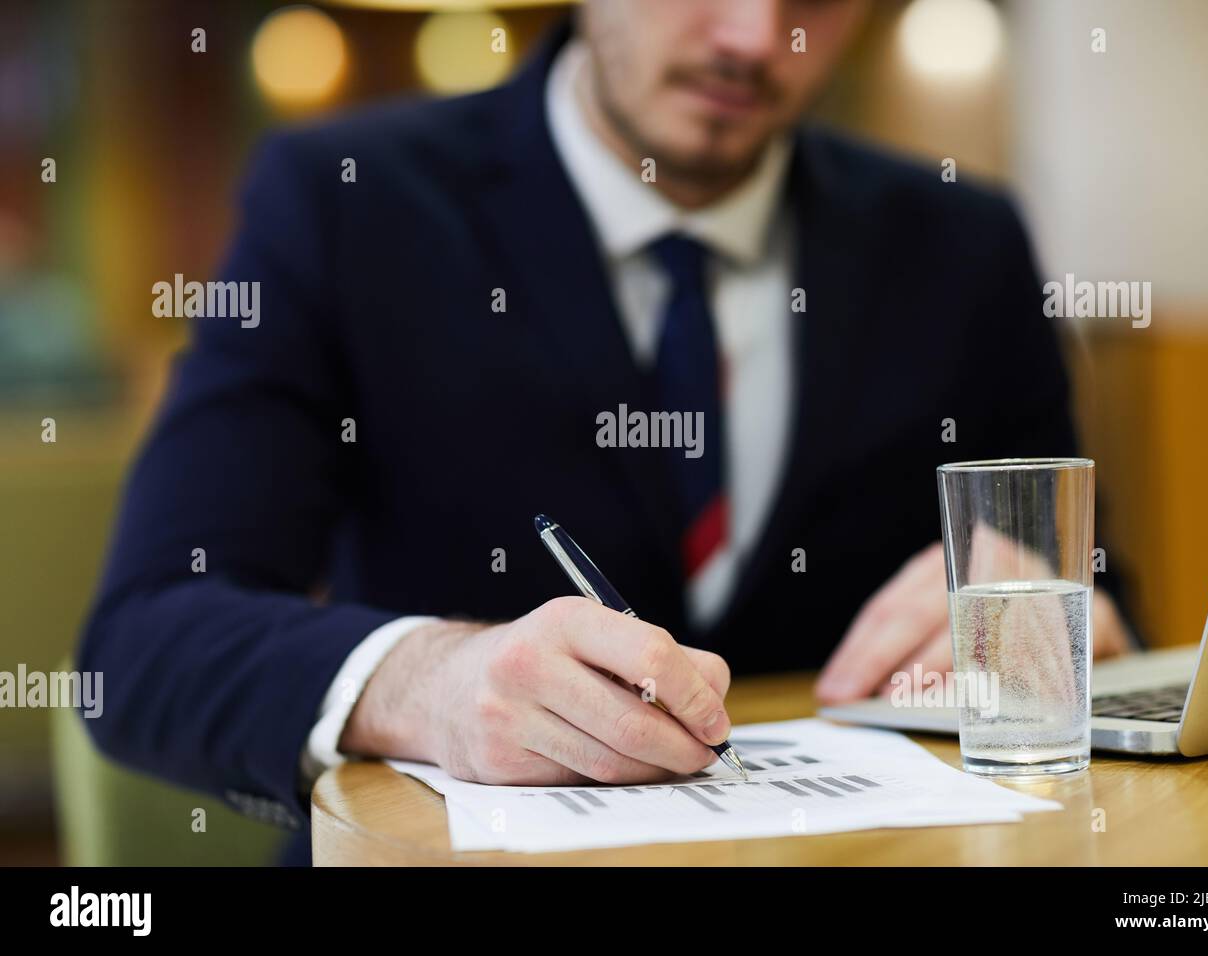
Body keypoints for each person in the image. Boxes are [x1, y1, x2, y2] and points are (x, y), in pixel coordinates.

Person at [79, 0, 1133, 858]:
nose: (754, 39)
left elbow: (1103, 592)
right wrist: (427, 683)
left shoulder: (961, 241)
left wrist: (1048, 623)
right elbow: (141, 642)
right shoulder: (340, 203)